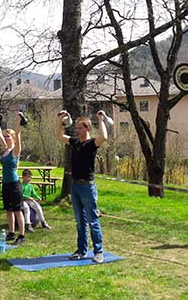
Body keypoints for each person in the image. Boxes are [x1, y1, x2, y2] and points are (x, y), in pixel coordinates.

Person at [56, 110, 108, 264]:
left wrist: (101, 119)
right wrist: (61, 121)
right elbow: (60, 136)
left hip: (87, 187)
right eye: (76, 128)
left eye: (80, 128)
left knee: (92, 220)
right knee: (80, 221)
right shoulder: (76, 142)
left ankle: (98, 252)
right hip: (75, 186)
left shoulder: (91, 144)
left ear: (87, 128)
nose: (77, 131)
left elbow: (103, 137)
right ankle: (81, 250)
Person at [0, 112, 26, 245]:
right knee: (8, 210)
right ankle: (11, 233)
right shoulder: (5, 149)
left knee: (17, 210)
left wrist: (19, 121)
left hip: (14, 184)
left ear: (12, 138)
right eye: (5, 136)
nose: (6, 138)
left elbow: (17, 134)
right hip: (5, 184)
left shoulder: (15, 150)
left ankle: (22, 235)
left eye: (8, 136)